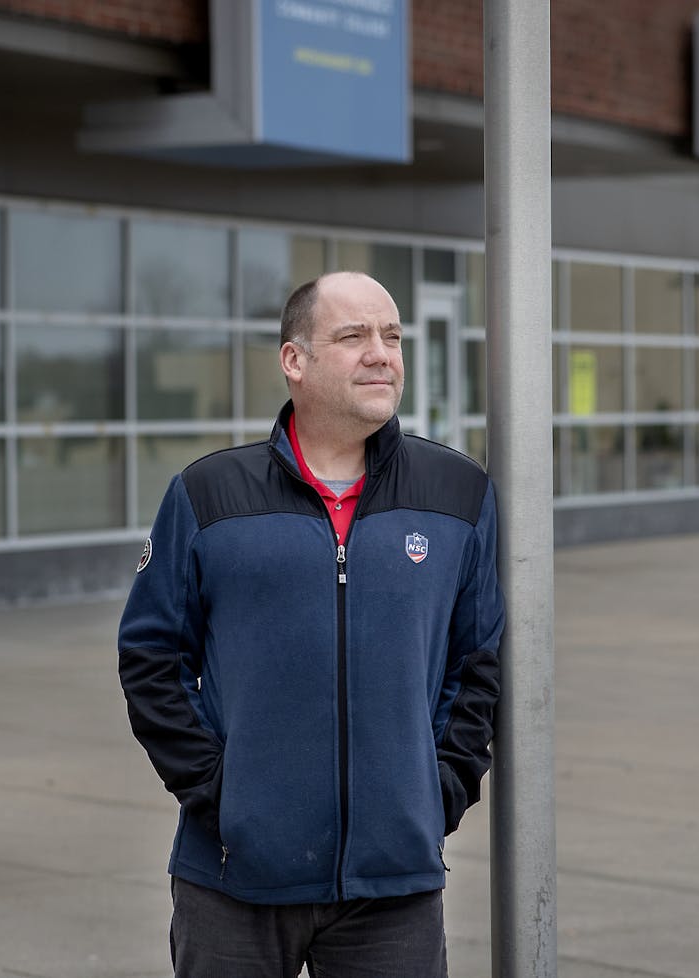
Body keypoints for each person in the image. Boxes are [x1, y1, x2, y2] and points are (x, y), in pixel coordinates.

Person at [117, 271, 504, 977]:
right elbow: (150, 656)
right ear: (294, 361)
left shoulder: (457, 493)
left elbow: (476, 662)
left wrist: (437, 789)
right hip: (235, 877)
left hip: (394, 882)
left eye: (392, 336)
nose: (381, 353)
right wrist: (220, 795)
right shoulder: (209, 496)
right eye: (353, 336)